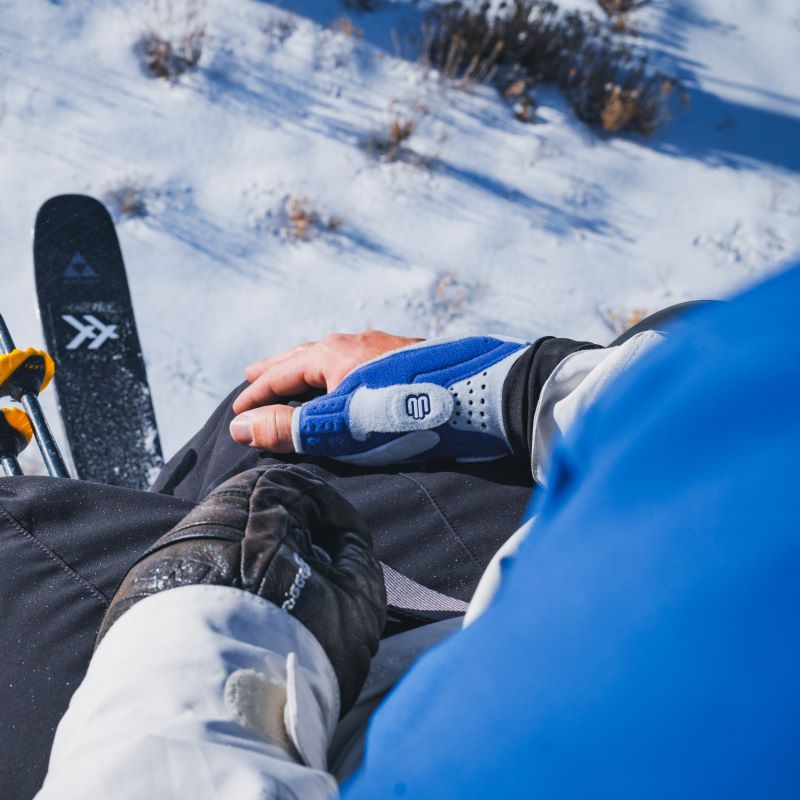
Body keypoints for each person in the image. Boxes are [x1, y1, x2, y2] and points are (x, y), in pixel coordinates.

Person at [2, 298, 705, 799]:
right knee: (270, 411)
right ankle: (133, 520)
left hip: (324, 743)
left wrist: (212, 646)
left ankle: (102, 538)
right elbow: (747, 420)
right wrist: (527, 388)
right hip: (552, 593)